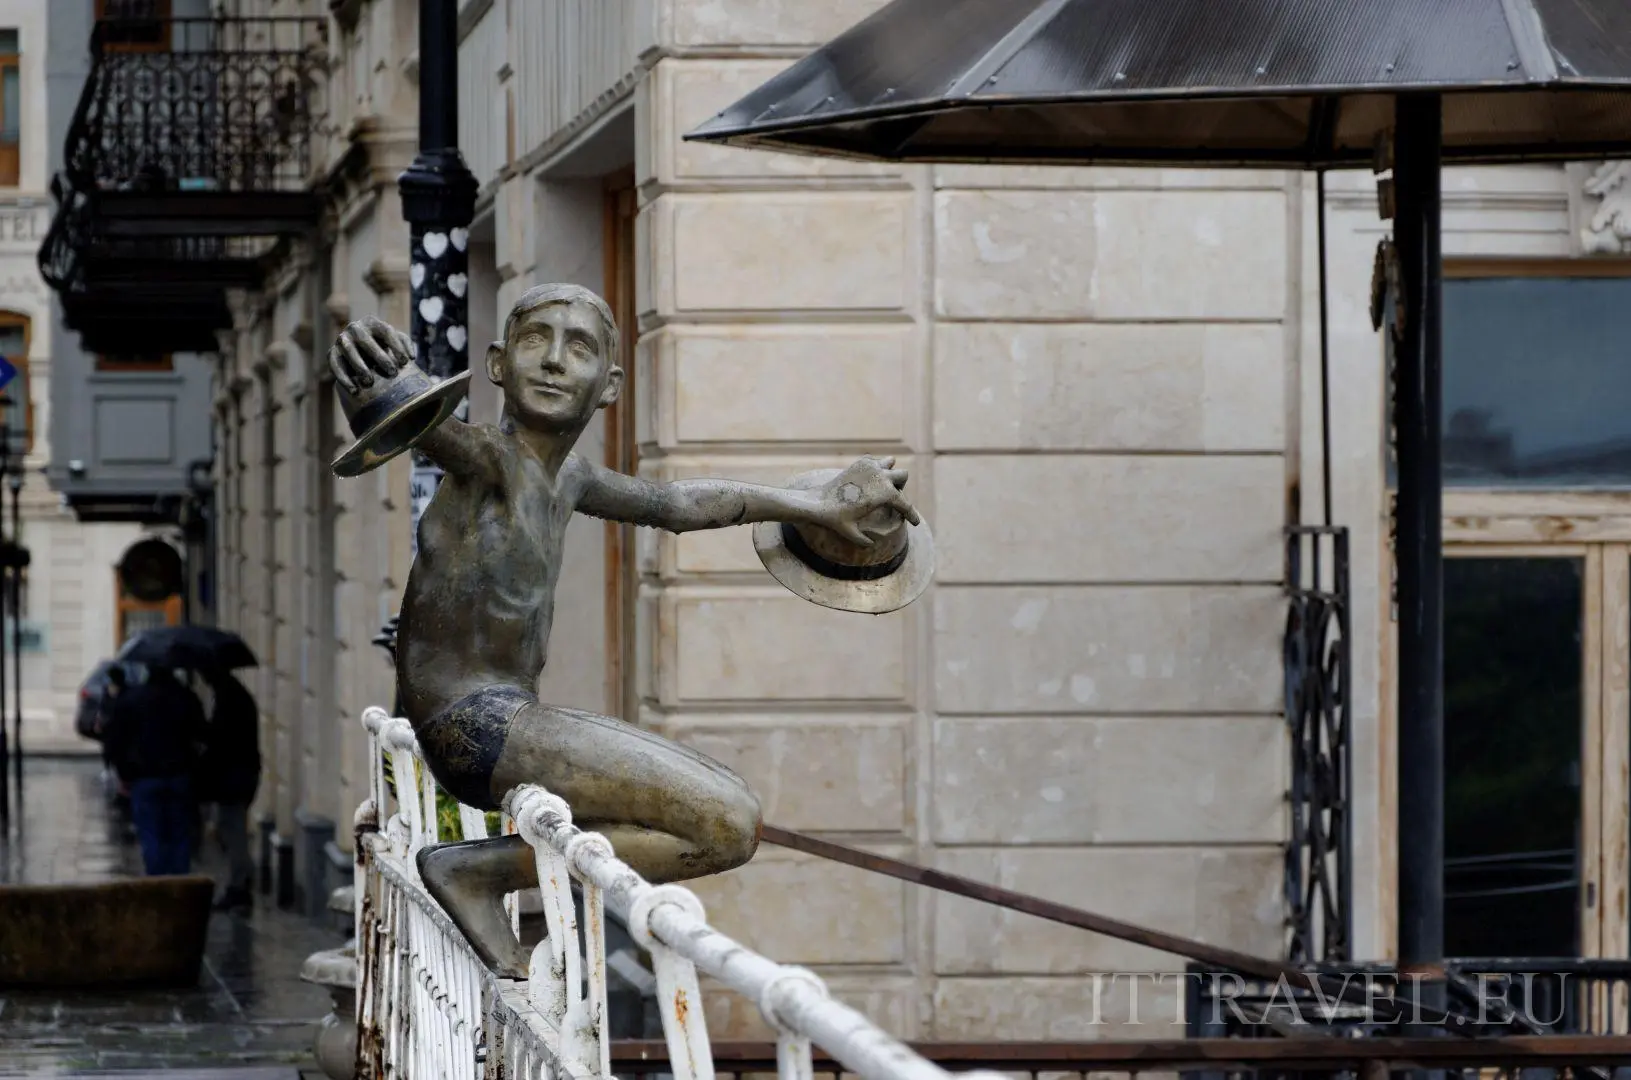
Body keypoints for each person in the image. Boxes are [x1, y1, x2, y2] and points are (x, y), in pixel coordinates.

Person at [327, 288, 918, 976]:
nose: (551, 361)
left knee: (726, 802)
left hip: (504, 721)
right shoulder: (485, 459)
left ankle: (485, 871)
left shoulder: (569, 476)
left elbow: (677, 504)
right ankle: (475, 871)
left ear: (608, 386)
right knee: (728, 823)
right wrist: (369, 360)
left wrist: (812, 505)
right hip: (475, 724)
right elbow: (413, 421)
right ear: (495, 366)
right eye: (533, 341)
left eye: (577, 347)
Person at [103, 664, 206, 876]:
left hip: (144, 776)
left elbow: (116, 738)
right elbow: (202, 733)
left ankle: (158, 884)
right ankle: (179, 884)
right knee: (179, 834)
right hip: (179, 774)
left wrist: (124, 772)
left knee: (151, 834)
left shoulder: (132, 699)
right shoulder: (186, 697)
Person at [196, 667, 261, 911]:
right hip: (240, 775)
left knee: (233, 832)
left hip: (234, 778)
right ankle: (240, 882)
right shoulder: (236, 695)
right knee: (231, 830)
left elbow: (222, 740)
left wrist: (203, 731)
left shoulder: (230, 699)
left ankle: (239, 886)